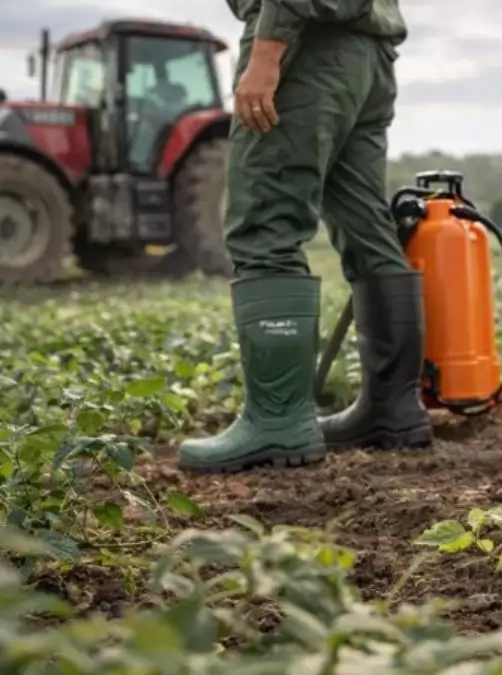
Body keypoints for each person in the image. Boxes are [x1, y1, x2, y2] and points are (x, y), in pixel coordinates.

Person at [178, 0, 433, 473]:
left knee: (264, 222)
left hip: (304, 43)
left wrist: (266, 55)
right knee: (367, 224)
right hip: (369, 56)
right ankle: (393, 408)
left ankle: (278, 421)